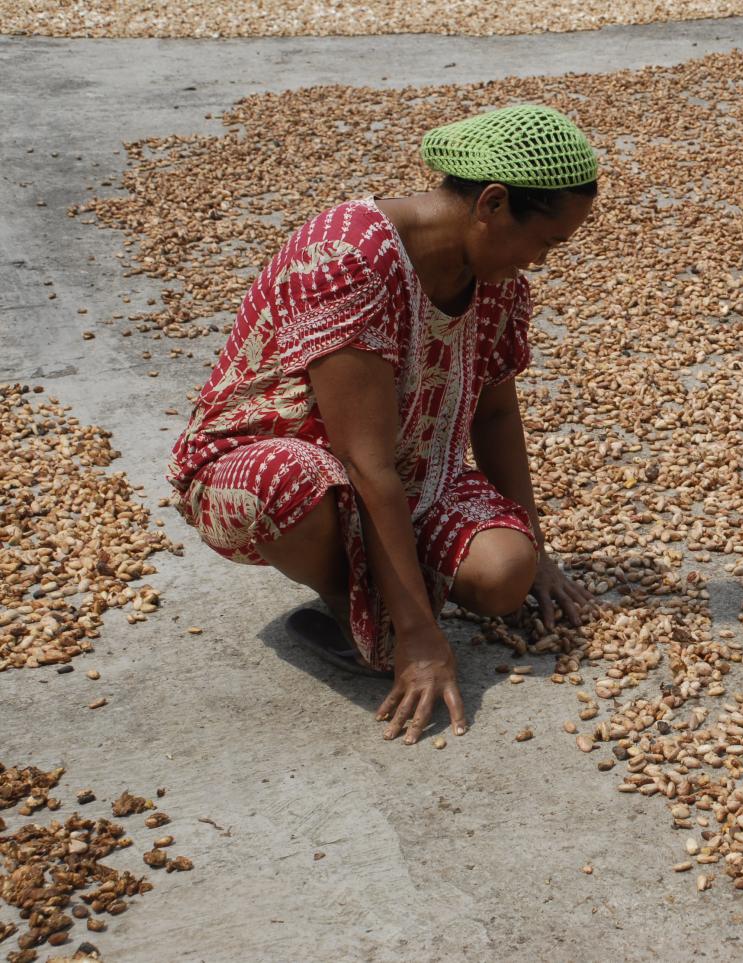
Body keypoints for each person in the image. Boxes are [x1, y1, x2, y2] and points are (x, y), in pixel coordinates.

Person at [166, 105, 598, 745]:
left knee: (507, 573)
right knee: (291, 484)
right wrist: (421, 638)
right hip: (284, 469)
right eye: (547, 242)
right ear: (494, 203)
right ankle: (356, 612)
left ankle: (389, 589)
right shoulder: (349, 258)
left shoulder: (494, 277)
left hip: (416, 474)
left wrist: (538, 549)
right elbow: (364, 461)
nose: (541, 261)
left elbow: (497, 411)